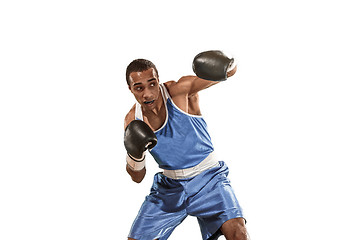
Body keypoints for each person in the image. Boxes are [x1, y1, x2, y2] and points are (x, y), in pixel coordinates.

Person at [124, 50, 248, 240]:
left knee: (238, 232)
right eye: (139, 88)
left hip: (209, 178)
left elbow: (229, 72)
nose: (148, 93)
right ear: (130, 89)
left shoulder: (180, 91)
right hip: (170, 188)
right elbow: (137, 177)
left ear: (158, 80)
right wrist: (135, 154)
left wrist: (226, 64)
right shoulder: (133, 120)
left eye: (152, 84)